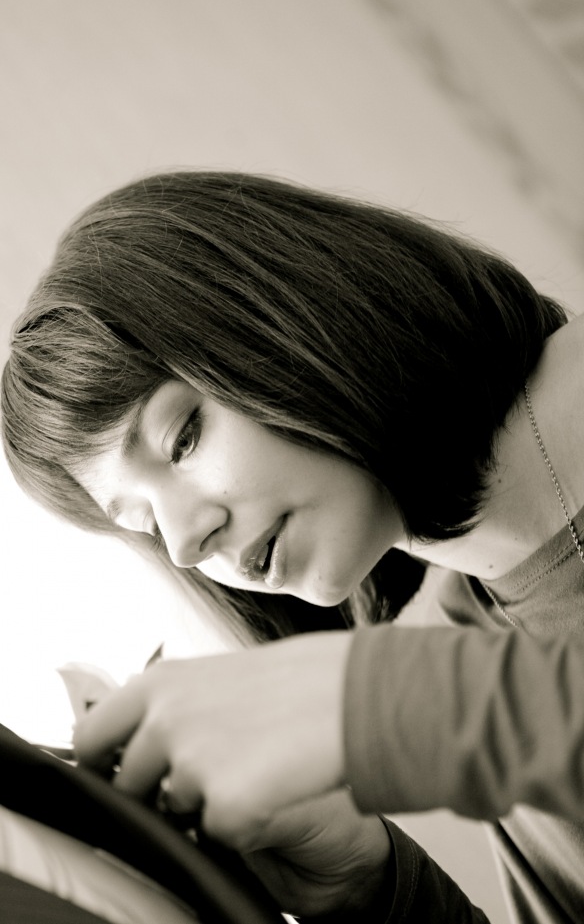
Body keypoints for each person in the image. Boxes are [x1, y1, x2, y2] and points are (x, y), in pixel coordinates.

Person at [2, 170, 584, 923]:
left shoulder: (455, 692)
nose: (185, 543)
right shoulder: (470, 626)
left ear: (284, 312)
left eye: (182, 438)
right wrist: (375, 887)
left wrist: (381, 706)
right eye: (146, 524)